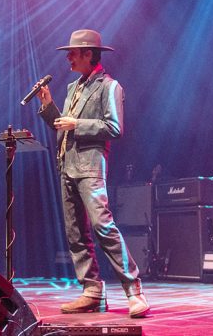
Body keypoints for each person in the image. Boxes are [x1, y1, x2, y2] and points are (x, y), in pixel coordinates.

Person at [35, 29, 149, 318]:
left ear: (89, 54)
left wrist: (77, 124)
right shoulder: (74, 87)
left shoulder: (109, 86)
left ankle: (133, 290)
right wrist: (48, 106)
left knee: (102, 226)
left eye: (73, 52)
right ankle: (92, 291)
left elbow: (114, 128)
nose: (68, 57)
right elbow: (63, 125)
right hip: (67, 164)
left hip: (90, 166)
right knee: (75, 233)